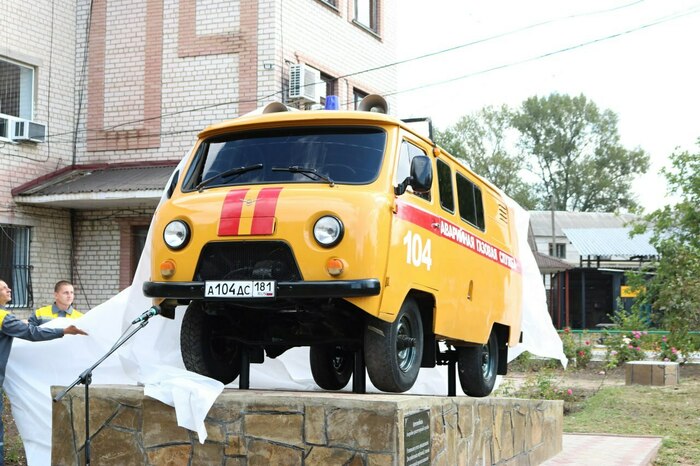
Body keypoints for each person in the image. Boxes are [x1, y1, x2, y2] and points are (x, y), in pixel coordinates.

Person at [0, 280, 87, 464]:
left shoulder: (6, 317)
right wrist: (63, 331)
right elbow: (31, 333)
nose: (9, 289)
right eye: (3, 288)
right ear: (56, 294)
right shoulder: (4, 318)